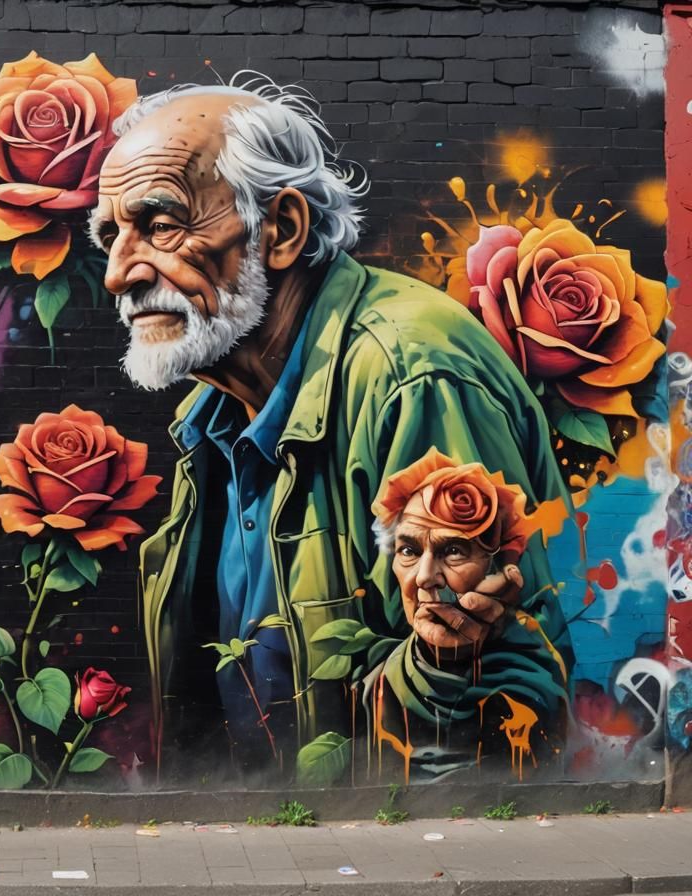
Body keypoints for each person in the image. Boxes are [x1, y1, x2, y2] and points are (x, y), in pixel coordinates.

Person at [88, 73, 573, 777]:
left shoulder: (410, 376)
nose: (118, 274)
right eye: (111, 235)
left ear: (281, 230)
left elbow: (495, 699)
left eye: (161, 225)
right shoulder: (212, 417)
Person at [367, 450, 569, 779]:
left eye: (454, 551)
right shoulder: (381, 680)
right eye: (408, 551)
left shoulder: (532, 666)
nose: (424, 577)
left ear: (496, 570)